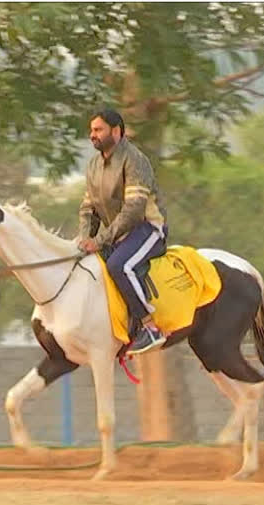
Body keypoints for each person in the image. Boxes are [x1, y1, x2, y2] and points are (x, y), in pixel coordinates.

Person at [77, 109, 168, 356]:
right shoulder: (93, 165)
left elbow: (134, 210)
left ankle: (150, 328)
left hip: (147, 228)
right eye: (91, 130)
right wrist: (84, 239)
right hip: (117, 235)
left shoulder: (135, 160)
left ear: (116, 131)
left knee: (119, 265)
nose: (92, 135)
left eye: (98, 130)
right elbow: (88, 208)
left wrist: (101, 240)